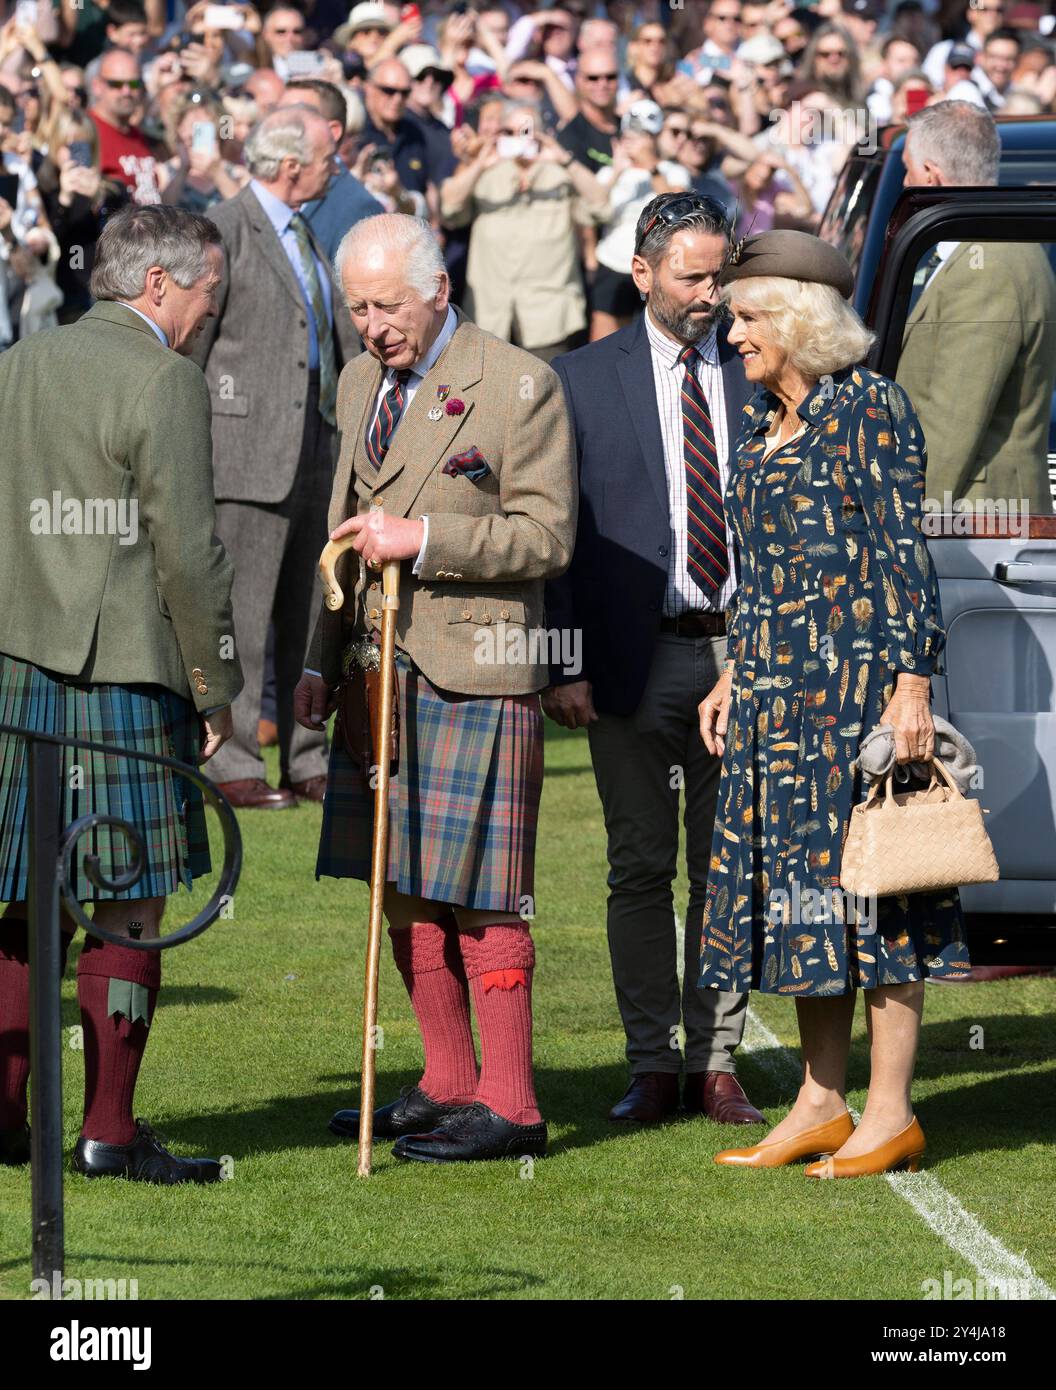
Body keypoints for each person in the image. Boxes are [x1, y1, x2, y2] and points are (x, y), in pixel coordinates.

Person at [294, 212, 577, 1163]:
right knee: (405, 886)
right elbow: (341, 523)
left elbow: (548, 537)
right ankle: (448, 1081)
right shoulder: (357, 380)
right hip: (378, 673)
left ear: (439, 290)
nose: (374, 325)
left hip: (478, 670)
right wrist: (314, 660)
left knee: (487, 895)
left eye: (390, 305)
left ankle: (514, 1104)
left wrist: (429, 542)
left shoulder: (519, 382)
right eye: (358, 307)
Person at [696, 229, 970, 1177]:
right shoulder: (759, 421)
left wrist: (912, 685)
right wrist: (734, 670)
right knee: (801, 902)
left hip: (860, 695)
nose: (731, 334)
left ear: (800, 319)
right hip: (775, 701)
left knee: (882, 897)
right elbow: (757, 575)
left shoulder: (869, 409)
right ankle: (819, 1100)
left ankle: (890, 1112)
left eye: (746, 316)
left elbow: (905, 555)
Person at [0, 204, 243, 1181]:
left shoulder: (14, 366)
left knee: (17, 902)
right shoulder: (165, 379)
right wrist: (217, 688)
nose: (207, 312)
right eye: (205, 294)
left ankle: (3, 1124)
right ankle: (107, 1131)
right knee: (129, 904)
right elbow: (189, 554)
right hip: (125, 680)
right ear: (157, 285)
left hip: (13, 670)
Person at [542, 192, 764, 1128]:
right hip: (629, 660)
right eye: (694, 276)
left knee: (724, 867)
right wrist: (561, 663)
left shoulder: (763, 370)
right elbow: (556, 533)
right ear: (642, 274)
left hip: (736, 655)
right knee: (639, 866)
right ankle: (652, 1064)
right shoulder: (581, 379)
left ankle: (718, 1062)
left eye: (723, 275)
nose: (713, 293)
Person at [191, 106, 360, 809]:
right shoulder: (223, 230)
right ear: (291, 165)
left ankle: (305, 757)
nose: (336, 167)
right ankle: (231, 765)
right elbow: (191, 351)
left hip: (314, 452)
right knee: (241, 618)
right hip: (244, 459)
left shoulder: (306, 232)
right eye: (327, 156)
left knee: (311, 612)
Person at [896, 101, 1056, 515]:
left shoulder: (988, 265)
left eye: (907, 168)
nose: (904, 180)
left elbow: (952, 426)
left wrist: (901, 528)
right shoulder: (985, 249)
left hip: (975, 525)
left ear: (930, 176)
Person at [441, 100, 605, 361]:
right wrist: (481, 162)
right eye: (509, 132)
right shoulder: (487, 172)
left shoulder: (561, 174)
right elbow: (449, 208)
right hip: (491, 316)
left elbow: (602, 206)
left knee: (546, 396)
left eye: (526, 131)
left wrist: (563, 159)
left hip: (548, 317)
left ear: (541, 134)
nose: (518, 139)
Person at [286, 77, 383, 260]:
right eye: (277, 113)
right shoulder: (269, 188)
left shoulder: (359, 208)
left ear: (332, 131)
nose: (276, 125)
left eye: (294, 118)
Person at [88, 46, 160, 204]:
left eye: (134, 83)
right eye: (116, 84)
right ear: (97, 86)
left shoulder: (137, 135)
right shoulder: (86, 130)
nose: (127, 91)